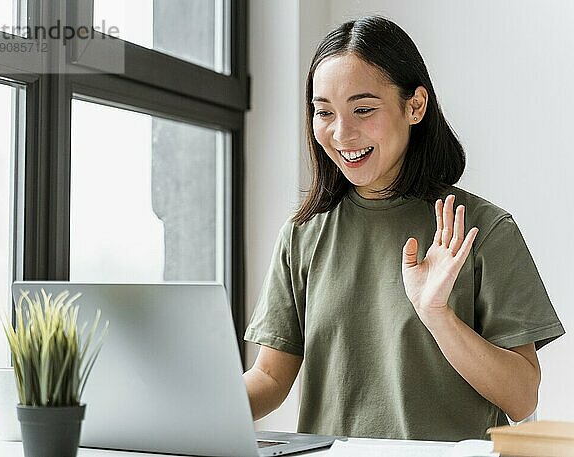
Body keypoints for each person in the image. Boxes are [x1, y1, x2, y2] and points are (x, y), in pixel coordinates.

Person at [242, 16, 565, 441]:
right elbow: (269, 377)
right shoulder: (302, 234)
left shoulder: (484, 230)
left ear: (414, 105)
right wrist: (190, 408)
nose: (342, 133)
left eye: (363, 109)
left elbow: (522, 398)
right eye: (324, 112)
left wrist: (438, 315)